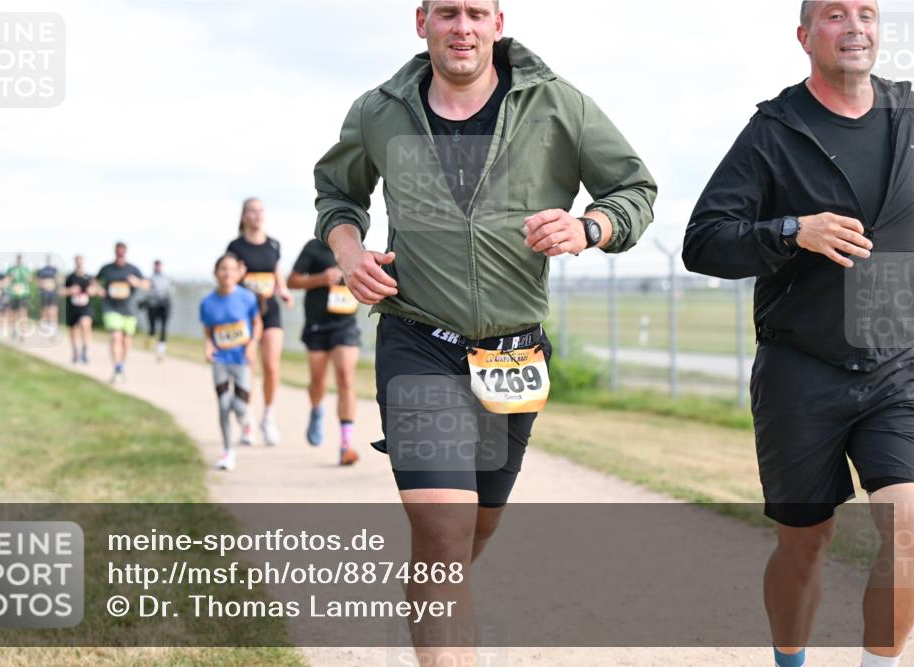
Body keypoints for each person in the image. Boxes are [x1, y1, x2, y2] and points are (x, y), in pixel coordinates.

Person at [313, 1, 655, 661]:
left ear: (499, 23)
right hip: (418, 340)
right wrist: (350, 253)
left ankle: (434, 602)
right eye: (447, 12)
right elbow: (337, 193)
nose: (461, 26)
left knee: (467, 536)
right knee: (445, 527)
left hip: (513, 354)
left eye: (476, 12)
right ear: (422, 23)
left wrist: (589, 227)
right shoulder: (379, 111)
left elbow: (633, 190)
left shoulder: (559, 105)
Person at [682, 2, 913, 666]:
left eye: (866, 13)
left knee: (909, 530)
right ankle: (790, 657)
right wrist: (790, 231)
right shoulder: (773, 132)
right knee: (804, 541)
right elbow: (703, 242)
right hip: (800, 366)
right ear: (805, 37)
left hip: (896, 363)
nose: (855, 27)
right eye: (835, 15)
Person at [226, 198, 294, 446]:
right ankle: (248, 420)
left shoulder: (274, 244)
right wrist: (237, 275)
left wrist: (284, 290)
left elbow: (276, 272)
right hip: (245, 312)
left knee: (272, 365)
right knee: (249, 366)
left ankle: (268, 417)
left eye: (261, 210)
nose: (257, 215)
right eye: (252, 211)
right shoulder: (235, 246)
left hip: (271, 309)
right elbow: (228, 276)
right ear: (244, 216)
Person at [288, 239, 362, 466]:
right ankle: (316, 409)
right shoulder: (313, 247)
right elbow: (291, 281)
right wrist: (321, 278)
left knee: (345, 378)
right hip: (317, 325)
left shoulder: (359, 247)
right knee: (317, 383)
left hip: (346, 324)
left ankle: (345, 444)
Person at [200, 253, 262, 470]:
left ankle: (246, 422)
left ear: (239, 273)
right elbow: (208, 332)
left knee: (239, 405)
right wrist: (208, 348)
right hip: (220, 360)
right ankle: (227, 451)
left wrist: (253, 344)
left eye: (232, 269)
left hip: (242, 360)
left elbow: (257, 323)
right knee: (223, 405)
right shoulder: (207, 302)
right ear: (215, 273)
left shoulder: (247, 298)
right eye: (223, 269)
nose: (227, 273)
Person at [95, 242, 150, 383]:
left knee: (126, 340)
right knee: (115, 336)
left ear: (125, 253)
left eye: (122, 252)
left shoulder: (133, 269)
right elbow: (94, 282)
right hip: (111, 308)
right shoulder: (106, 269)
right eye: (118, 252)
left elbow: (146, 285)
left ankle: (121, 364)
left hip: (129, 310)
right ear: (115, 252)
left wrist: (136, 282)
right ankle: (117, 367)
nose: (120, 254)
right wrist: (98, 290)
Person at [62, 255, 94, 364]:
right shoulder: (69, 277)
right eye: (77, 261)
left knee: (86, 325)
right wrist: (70, 290)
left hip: (85, 307)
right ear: (75, 262)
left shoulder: (88, 277)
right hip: (72, 307)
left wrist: (92, 291)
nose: (79, 263)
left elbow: (96, 290)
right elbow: (61, 291)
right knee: (73, 331)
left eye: (81, 261)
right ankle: (75, 351)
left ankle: (85, 350)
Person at [144, 259, 173, 361]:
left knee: (163, 329)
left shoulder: (167, 278)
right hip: (152, 306)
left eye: (159, 265)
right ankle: (150, 339)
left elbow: (169, 291)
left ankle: (160, 351)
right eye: (156, 266)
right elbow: (146, 291)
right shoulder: (150, 278)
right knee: (152, 328)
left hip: (164, 305)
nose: (158, 267)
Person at [5, 254, 32, 341]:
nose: (19, 261)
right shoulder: (11, 269)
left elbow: (30, 279)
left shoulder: (25, 269)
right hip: (13, 295)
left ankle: (23, 333)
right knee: (13, 314)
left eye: (20, 259)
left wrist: (25, 276)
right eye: (18, 259)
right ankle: (14, 329)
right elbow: (7, 280)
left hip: (23, 295)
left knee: (23, 314)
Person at [35, 255, 59, 336]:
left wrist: (54, 285)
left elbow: (58, 279)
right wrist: (41, 285)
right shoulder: (42, 270)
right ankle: (43, 326)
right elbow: (37, 280)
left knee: (53, 310)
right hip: (44, 292)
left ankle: (54, 327)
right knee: (44, 310)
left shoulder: (54, 269)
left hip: (52, 292)